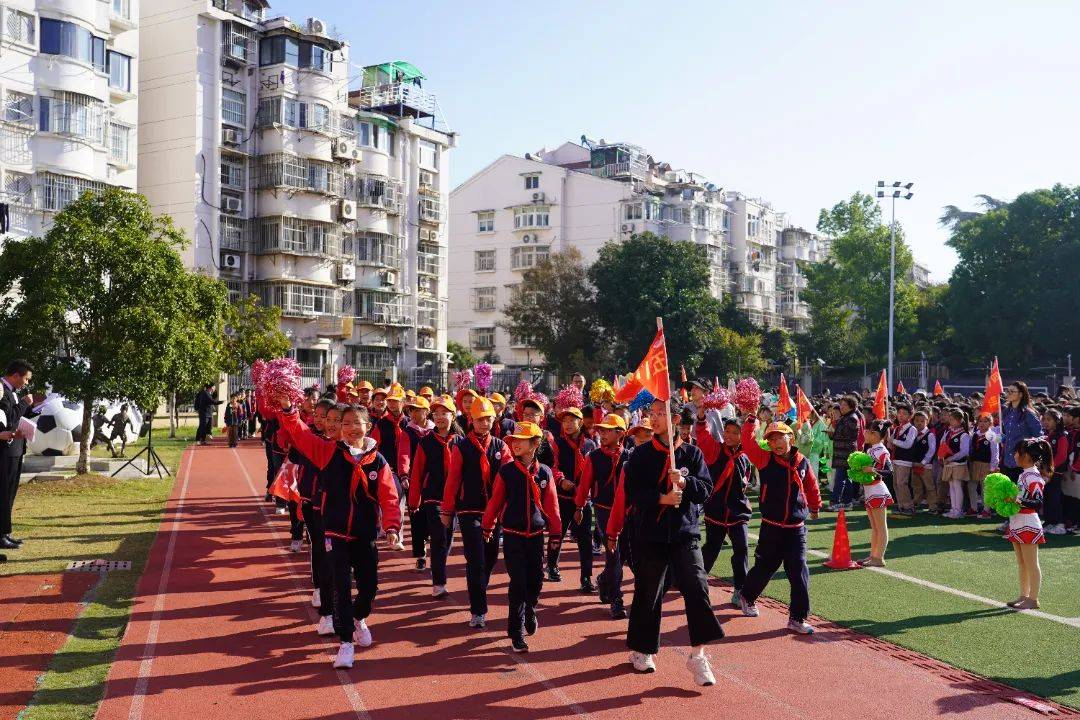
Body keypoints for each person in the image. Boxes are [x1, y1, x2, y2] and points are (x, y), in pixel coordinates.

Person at [274, 396, 401, 669]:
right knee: (341, 587)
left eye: (358, 423)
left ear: (368, 426)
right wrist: (288, 410)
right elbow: (300, 433)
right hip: (334, 532)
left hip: (365, 534)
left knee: (369, 588)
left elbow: (389, 497)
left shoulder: (377, 461)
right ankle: (345, 642)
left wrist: (392, 527)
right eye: (347, 423)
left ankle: (359, 618)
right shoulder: (328, 452)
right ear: (340, 428)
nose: (352, 428)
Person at [623, 398, 723, 686]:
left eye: (660, 414)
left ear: (676, 419)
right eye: (651, 413)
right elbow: (632, 492)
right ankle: (642, 650)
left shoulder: (692, 455)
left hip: (685, 533)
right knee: (649, 592)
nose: (653, 419)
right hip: (651, 535)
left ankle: (698, 655)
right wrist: (661, 498)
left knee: (697, 587)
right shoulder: (640, 455)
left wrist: (684, 484)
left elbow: (705, 490)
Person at [738, 412, 821, 635]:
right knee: (765, 567)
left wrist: (815, 506)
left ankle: (797, 618)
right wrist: (749, 421)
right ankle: (746, 596)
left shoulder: (802, 461)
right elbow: (747, 443)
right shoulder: (764, 459)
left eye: (779, 438)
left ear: (790, 439)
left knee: (799, 571)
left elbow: (811, 485)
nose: (775, 443)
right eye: (771, 439)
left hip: (796, 529)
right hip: (771, 527)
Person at [482, 421, 562, 652]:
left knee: (535, 581)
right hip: (512, 535)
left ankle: (531, 608)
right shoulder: (506, 471)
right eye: (514, 440)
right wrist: (488, 525)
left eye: (522, 440)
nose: (516, 444)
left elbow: (552, 505)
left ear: (535, 444)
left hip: (536, 535)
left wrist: (555, 533)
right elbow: (495, 500)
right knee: (517, 583)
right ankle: (516, 632)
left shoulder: (545, 472)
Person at [441, 397, 507, 629]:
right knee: (476, 560)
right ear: (472, 420)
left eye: (488, 418)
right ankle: (478, 610)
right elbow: (453, 481)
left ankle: (480, 585)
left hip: (494, 512)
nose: (485, 423)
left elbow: (509, 478)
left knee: (490, 559)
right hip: (469, 510)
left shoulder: (501, 446)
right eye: (480, 419)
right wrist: (447, 510)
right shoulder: (462, 447)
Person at [574, 413, 630, 618]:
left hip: (627, 511)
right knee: (614, 555)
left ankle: (605, 580)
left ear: (620, 433)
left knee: (622, 557)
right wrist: (579, 507)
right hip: (604, 511)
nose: (603, 434)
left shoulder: (629, 456)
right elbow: (585, 484)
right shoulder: (594, 457)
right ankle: (617, 599)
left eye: (608, 430)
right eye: (601, 430)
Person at [694, 415, 752, 603]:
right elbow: (702, 437)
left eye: (735, 433)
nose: (729, 435)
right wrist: (702, 418)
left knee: (742, 549)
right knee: (711, 548)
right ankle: (696, 582)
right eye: (727, 431)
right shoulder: (715, 450)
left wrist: (750, 416)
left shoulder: (745, 457)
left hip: (738, 513)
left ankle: (740, 590)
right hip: (716, 511)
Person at [409, 396, 461, 598]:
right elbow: (417, 473)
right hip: (433, 498)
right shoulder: (426, 442)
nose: (439, 417)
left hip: (455, 500)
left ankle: (438, 567)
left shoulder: (460, 441)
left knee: (447, 539)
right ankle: (439, 583)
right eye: (436, 413)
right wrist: (414, 501)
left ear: (452, 416)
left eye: (444, 413)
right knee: (439, 537)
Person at [549, 406, 597, 591]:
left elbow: (594, 470)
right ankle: (552, 565)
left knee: (586, 539)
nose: (568, 424)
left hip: (584, 498)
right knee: (557, 533)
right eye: (565, 421)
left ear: (581, 422)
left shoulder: (590, 445)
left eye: (572, 420)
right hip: (562, 497)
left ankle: (586, 578)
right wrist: (561, 480)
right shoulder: (558, 444)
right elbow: (553, 466)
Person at [1006, 438, 1051, 610]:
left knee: (1031, 563)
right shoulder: (1024, 474)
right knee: (1022, 562)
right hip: (1018, 521)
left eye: (1017, 452)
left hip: (1028, 522)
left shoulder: (1032, 476)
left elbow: (1037, 502)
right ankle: (1024, 595)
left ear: (1026, 456)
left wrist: (1015, 499)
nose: (1015, 455)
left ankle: (1033, 599)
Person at [0, 360, 35, 550]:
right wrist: (23, 403)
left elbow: (15, 418)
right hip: (5, 451)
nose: (26, 384)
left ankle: (5, 532)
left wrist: (30, 410)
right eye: (26, 379)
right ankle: (1, 534)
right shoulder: (2, 391)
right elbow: (9, 418)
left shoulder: (12, 392)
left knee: (10, 494)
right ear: (15, 375)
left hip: (16, 449)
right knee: (3, 495)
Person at [860, 420, 893, 566]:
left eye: (867, 431)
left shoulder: (881, 450)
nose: (865, 433)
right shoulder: (870, 449)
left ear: (874, 434)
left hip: (877, 490)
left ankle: (879, 558)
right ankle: (873, 555)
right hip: (869, 490)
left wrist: (873, 470)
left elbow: (889, 471)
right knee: (874, 527)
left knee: (880, 526)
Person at [1001, 382, 1042, 481]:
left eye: (1012, 391)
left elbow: (1039, 436)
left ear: (1021, 394)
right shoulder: (1006, 412)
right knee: (1008, 495)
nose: (1009, 393)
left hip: (1022, 462)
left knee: (1020, 495)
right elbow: (1008, 435)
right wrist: (1001, 438)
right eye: (1008, 391)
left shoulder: (1028, 413)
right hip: (1007, 461)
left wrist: (1026, 447)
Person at [829, 396, 861, 510]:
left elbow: (848, 435)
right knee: (846, 478)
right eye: (841, 404)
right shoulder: (845, 418)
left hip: (846, 453)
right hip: (841, 452)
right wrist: (831, 434)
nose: (841, 407)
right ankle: (847, 502)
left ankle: (836, 501)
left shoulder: (851, 418)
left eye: (844, 405)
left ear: (851, 406)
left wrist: (834, 434)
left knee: (840, 478)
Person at [1040, 409, 1069, 535]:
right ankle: (1049, 522)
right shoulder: (1046, 435)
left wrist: (1049, 468)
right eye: (1044, 419)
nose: (1046, 422)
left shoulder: (1061, 436)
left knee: (1054, 498)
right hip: (1046, 472)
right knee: (1047, 497)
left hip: (1055, 473)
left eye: (1049, 420)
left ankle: (1060, 524)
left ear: (1057, 421)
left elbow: (1061, 456)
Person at [939, 409, 972, 519]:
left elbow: (964, 451)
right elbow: (942, 443)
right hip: (949, 463)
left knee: (957, 486)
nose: (950, 421)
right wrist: (942, 456)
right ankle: (953, 509)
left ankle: (958, 510)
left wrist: (952, 457)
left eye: (952, 419)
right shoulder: (948, 432)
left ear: (959, 421)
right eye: (950, 419)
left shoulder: (964, 435)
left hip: (958, 464)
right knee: (951, 486)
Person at [969, 413, 999, 518]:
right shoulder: (975, 434)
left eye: (985, 421)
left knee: (985, 487)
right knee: (972, 486)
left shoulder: (992, 435)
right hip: (975, 463)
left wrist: (992, 467)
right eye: (980, 421)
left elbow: (995, 452)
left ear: (990, 423)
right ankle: (973, 508)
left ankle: (986, 510)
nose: (982, 423)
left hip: (986, 464)